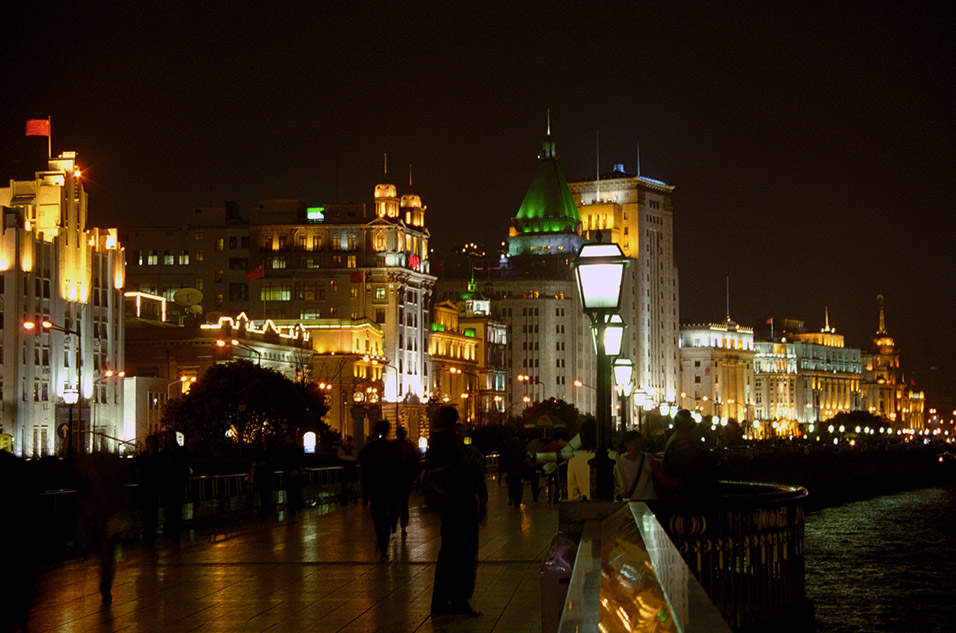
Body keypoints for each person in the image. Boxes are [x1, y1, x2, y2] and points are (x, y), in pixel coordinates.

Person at [425, 406, 486, 617]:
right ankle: (456, 600)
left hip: (451, 506)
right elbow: (458, 472)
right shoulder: (448, 444)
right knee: (462, 553)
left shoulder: (438, 444)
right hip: (459, 505)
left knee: (450, 553)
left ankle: (444, 601)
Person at [358, 420, 402, 558]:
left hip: (376, 487)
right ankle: (390, 527)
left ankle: (383, 543)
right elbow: (399, 469)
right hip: (391, 486)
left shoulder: (368, 449)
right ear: (388, 430)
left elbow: (364, 469)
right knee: (391, 511)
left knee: (378, 515)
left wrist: (366, 488)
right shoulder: (394, 448)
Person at [663, 409, 717, 496]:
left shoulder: (677, 437)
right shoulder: (682, 440)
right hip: (682, 487)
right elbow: (689, 463)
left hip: (677, 484)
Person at [161, 429, 190, 544]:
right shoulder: (164, 453)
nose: (169, 440)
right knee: (170, 511)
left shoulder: (181, 451)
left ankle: (175, 534)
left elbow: (186, 466)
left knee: (176, 510)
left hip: (177, 485)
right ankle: (172, 533)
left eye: (170, 437)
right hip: (168, 486)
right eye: (167, 437)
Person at [613, 430, 658, 501]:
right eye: (635, 442)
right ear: (626, 444)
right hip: (641, 500)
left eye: (640, 441)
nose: (638, 444)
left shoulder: (648, 459)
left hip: (646, 500)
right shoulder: (619, 461)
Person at [136, 434, 164, 546]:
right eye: (149, 443)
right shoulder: (143, 457)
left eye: (152, 443)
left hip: (154, 489)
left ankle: (150, 534)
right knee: (146, 513)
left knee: (152, 513)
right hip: (145, 489)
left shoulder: (159, 457)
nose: (150, 445)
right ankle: (148, 534)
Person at [392, 426, 420, 536]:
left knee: (394, 501)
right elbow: (415, 461)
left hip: (394, 478)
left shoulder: (392, 446)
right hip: (406, 478)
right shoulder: (409, 447)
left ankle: (393, 522)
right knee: (403, 502)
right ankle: (403, 526)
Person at [566, 418, 597, 500]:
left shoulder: (574, 462)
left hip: (584, 508)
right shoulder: (613, 456)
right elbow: (621, 487)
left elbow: (572, 495)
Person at [251, 433, 277, 517]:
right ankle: (264, 509)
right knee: (264, 492)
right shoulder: (260, 449)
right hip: (262, 474)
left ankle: (266, 509)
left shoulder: (269, 449)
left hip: (266, 474)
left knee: (267, 492)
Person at [280, 432, 304, 516]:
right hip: (292, 473)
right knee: (293, 492)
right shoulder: (295, 448)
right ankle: (294, 507)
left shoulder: (289, 449)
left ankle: (293, 508)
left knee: (292, 492)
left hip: (291, 472)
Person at [524, 430, 546, 502]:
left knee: (533, 481)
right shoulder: (541, 444)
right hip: (539, 464)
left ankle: (534, 496)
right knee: (538, 479)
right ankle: (537, 493)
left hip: (531, 465)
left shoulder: (528, 445)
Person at [337, 435, 359, 505]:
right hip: (348, 467)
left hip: (348, 468)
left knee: (352, 484)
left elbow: (354, 457)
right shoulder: (344, 448)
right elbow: (341, 457)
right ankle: (346, 499)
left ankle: (352, 498)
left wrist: (346, 457)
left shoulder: (352, 448)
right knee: (346, 485)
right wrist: (350, 458)